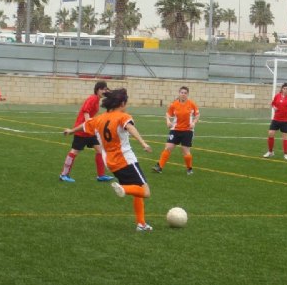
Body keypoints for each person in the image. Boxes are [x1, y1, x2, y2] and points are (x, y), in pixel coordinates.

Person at [63, 88, 154, 231]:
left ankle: (141, 224)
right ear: (122, 103)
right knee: (145, 191)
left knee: (137, 190)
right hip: (126, 160)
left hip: (111, 163)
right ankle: (122, 189)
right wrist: (143, 143)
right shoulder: (122, 116)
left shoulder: (99, 118)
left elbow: (84, 125)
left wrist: (71, 131)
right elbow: (130, 128)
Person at [59, 81, 113, 183]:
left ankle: (100, 176)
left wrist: (109, 93)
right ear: (98, 89)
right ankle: (63, 175)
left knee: (100, 150)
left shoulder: (97, 99)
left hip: (90, 131)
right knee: (74, 151)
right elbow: (85, 110)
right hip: (82, 130)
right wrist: (88, 122)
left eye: (106, 89)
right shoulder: (92, 98)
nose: (104, 91)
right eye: (103, 89)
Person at [152, 86, 200, 175]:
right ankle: (159, 167)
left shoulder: (191, 104)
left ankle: (189, 169)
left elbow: (197, 115)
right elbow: (167, 114)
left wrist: (194, 122)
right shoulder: (174, 104)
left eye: (185, 93)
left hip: (187, 131)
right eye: (182, 92)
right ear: (179, 93)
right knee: (168, 147)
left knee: (185, 150)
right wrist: (168, 121)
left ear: (187, 94)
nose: (183, 94)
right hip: (175, 130)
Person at [263, 82, 287, 160]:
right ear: (282, 89)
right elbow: (272, 104)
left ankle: (286, 154)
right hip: (276, 119)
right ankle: (270, 152)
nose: (285, 90)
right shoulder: (277, 96)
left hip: (286, 120)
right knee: (270, 133)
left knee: (285, 136)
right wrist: (274, 107)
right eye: (284, 88)